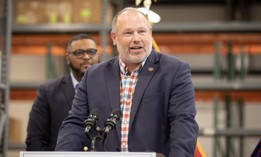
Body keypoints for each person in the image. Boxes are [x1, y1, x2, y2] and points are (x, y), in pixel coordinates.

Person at [55, 7, 198, 157]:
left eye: (142, 32)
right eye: (128, 33)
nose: (136, 38)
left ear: (150, 33)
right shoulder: (93, 76)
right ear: (114, 38)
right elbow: (75, 123)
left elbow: (183, 123)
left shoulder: (175, 71)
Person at [26, 34, 99, 151]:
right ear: (68, 58)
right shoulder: (48, 92)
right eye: (79, 53)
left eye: (91, 52)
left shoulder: (110, 88)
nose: (86, 57)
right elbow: (36, 140)